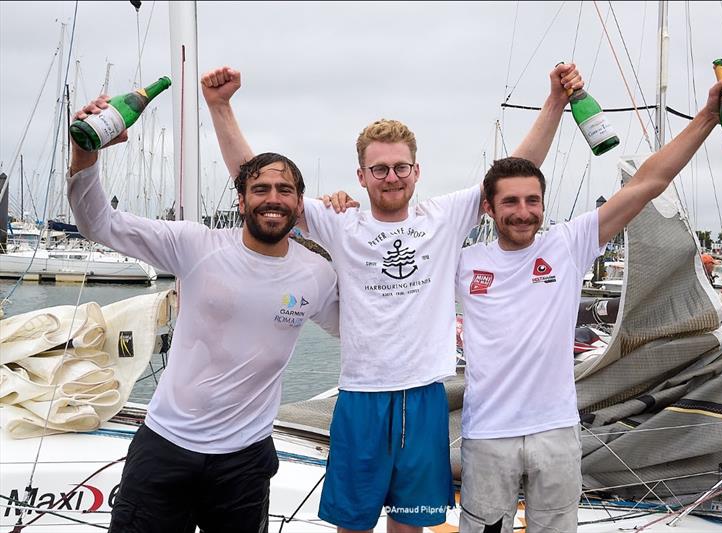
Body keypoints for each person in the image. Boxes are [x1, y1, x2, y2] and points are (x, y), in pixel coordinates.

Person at [202, 63, 583, 532]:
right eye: (378, 169)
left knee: (411, 525)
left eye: (400, 167)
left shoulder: (443, 219)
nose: (391, 177)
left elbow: (519, 167)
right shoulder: (340, 222)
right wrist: (221, 108)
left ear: (416, 170)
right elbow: (262, 187)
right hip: (361, 395)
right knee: (354, 524)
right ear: (361, 176)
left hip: (424, 395)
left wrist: (555, 103)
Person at [454, 74, 722, 532]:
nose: (523, 210)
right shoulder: (465, 262)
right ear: (488, 209)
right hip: (488, 436)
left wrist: (709, 116)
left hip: (555, 431)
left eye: (533, 200)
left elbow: (650, 182)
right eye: (509, 201)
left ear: (544, 204)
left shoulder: (567, 245)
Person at [68, 97, 340, 533]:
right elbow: (98, 223)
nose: (273, 199)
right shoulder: (196, 245)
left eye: (285, 190)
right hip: (166, 446)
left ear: (300, 202)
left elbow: (359, 326)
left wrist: (350, 229)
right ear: (241, 199)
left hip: (245, 461)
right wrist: (86, 151)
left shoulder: (317, 273)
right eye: (261, 189)